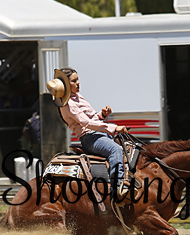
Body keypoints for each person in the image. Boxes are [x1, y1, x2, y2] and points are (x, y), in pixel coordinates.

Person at [46, 67, 129, 196]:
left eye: (77, 80)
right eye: (74, 81)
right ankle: (118, 187)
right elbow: (87, 124)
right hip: (90, 138)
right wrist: (114, 128)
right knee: (115, 150)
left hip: (98, 135)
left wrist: (102, 115)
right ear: (66, 86)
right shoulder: (69, 105)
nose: (78, 83)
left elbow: (92, 119)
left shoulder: (78, 97)